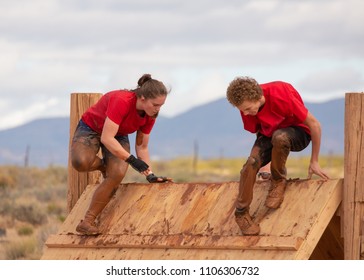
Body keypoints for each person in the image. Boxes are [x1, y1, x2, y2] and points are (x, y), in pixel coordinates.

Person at [226, 76, 329, 235]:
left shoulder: (281, 93)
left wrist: (314, 161)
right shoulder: (245, 108)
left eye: (247, 108)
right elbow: (261, 131)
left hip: (298, 133)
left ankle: (278, 181)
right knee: (250, 164)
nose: (245, 113)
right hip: (271, 136)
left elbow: (315, 125)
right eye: (242, 110)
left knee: (279, 137)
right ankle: (241, 214)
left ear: (257, 97)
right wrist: (262, 164)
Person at [71, 74, 172, 235]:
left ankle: (87, 222)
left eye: (161, 105)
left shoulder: (150, 115)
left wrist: (150, 174)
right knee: (80, 163)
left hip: (118, 134)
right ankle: (105, 166)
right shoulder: (122, 100)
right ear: (143, 98)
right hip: (92, 128)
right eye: (155, 104)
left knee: (117, 174)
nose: (158, 109)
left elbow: (142, 147)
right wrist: (131, 160)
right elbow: (106, 137)